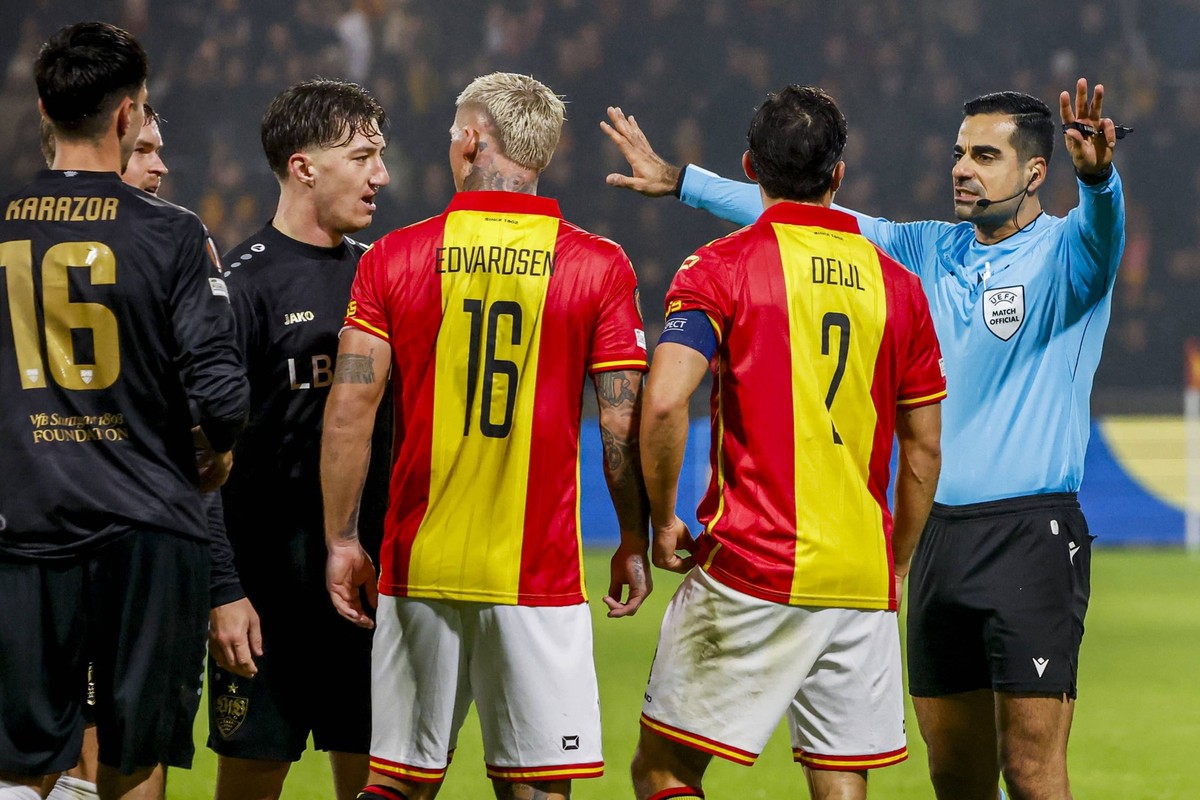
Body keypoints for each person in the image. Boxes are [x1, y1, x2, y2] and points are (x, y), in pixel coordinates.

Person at [603, 78, 1125, 800]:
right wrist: (681, 182)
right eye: (958, 153)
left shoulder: (1070, 254)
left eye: (984, 156)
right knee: (955, 774)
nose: (962, 168)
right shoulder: (927, 251)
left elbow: (1102, 231)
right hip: (937, 533)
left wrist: (1097, 182)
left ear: (1035, 172)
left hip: (1029, 532)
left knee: (1032, 772)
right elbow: (804, 218)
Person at [320, 71, 652, 800]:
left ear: (471, 140)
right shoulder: (597, 266)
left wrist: (342, 539)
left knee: (397, 781)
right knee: (537, 784)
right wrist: (633, 536)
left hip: (422, 562)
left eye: (452, 133)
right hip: (538, 571)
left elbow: (349, 411)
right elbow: (620, 425)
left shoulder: (393, 258)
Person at [630, 84, 945, 800]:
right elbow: (924, 449)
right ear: (839, 174)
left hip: (754, 562)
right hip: (858, 576)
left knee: (664, 770)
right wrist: (894, 563)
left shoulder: (721, 267)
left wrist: (663, 517)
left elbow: (666, 400)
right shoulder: (899, 288)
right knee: (839, 779)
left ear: (749, 167)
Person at [0, 21, 248, 800]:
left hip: (25, 531)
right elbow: (223, 399)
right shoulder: (174, 234)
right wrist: (216, 450)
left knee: (19, 759)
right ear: (126, 116)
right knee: (134, 754)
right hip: (148, 532)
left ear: (45, 110)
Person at [205, 78, 392, 800]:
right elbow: (204, 459)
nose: (381, 175)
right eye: (363, 157)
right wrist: (224, 591)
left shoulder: (382, 277)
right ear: (304, 166)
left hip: (368, 590)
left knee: (377, 784)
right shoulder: (242, 287)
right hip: (266, 598)